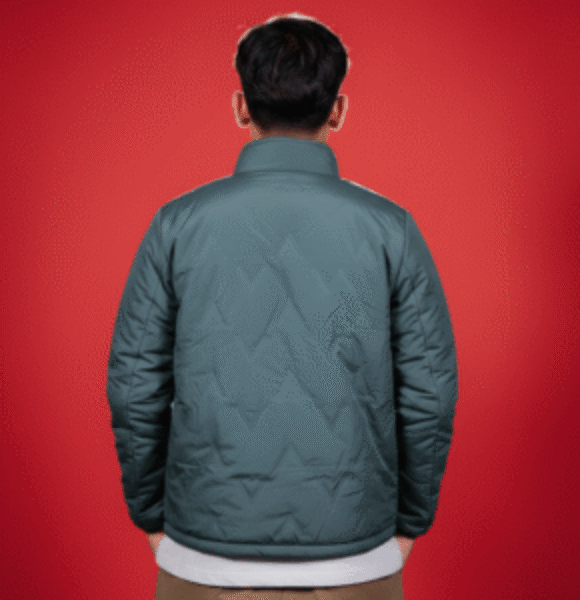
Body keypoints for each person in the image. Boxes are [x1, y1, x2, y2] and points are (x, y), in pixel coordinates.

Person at [106, 11, 459, 600]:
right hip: (355, 561)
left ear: (240, 108)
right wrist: (409, 523)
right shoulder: (391, 229)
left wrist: (151, 517)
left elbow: (134, 385)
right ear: (338, 110)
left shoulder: (176, 225)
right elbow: (430, 394)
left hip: (204, 561)